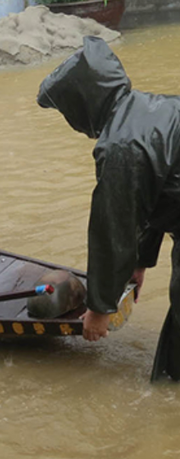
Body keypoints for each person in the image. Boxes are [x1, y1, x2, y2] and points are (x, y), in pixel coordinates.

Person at [37, 36, 180, 382]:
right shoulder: (150, 108)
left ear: (83, 104)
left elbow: (111, 230)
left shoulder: (120, 147)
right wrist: (140, 263)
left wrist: (99, 309)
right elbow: (159, 195)